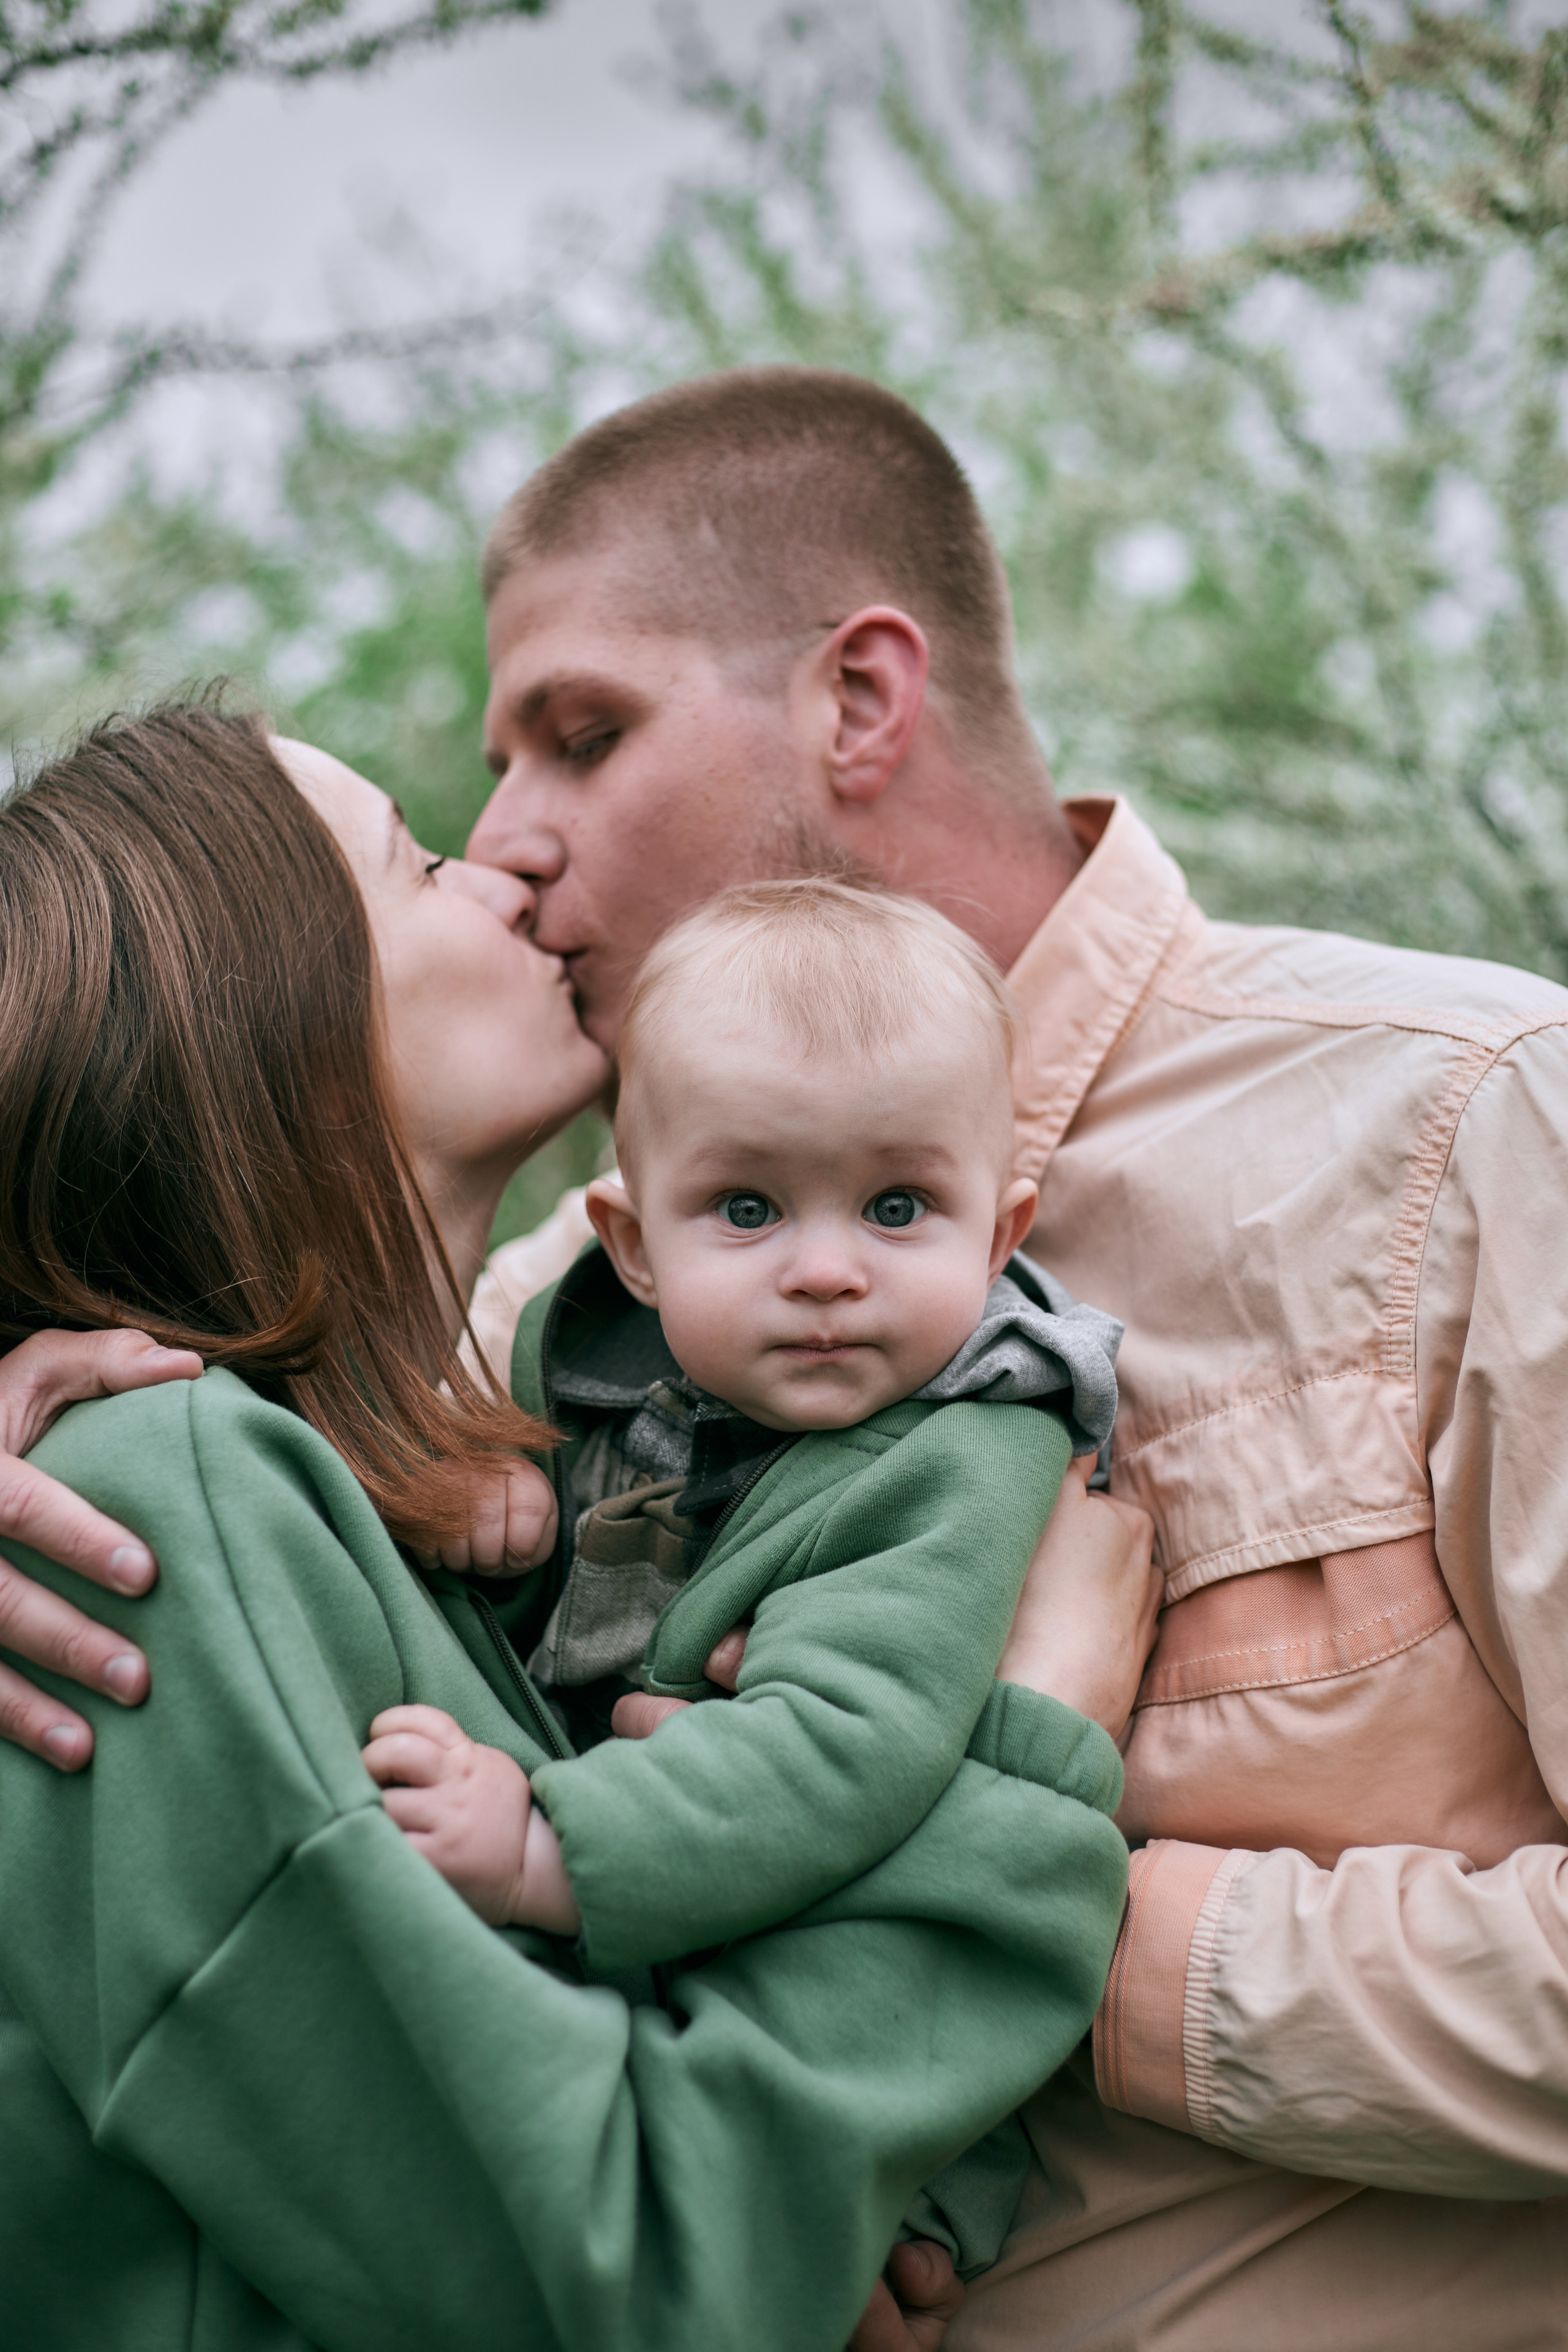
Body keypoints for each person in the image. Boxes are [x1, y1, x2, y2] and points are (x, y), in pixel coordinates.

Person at [7, 364, 1567, 2340]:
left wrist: (977, 1898)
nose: (509, 844)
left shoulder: (1466, 1123)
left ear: (858, 700)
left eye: (584, 737)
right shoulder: (533, 1345)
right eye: (457, 808)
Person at [0, 702, 1152, 2352]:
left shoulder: (446, 1474)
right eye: (415, 863)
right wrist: (1038, 1741)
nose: (504, 871)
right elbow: (634, 2284)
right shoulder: (146, 1516)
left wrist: (829, 2201)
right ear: (271, 1032)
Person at [366, 879, 1124, 2275]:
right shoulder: (577, 1361)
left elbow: (845, 1750)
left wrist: (549, 1848)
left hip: (861, 2057)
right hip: (647, 1980)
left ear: (1000, 1235)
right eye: (748, 1207)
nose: (826, 1271)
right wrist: (469, 1488)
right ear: (634, 1244)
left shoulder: (959, 1459)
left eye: (898, 1207)